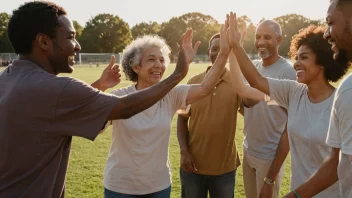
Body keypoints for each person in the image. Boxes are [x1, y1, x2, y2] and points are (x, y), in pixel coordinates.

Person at [0, 1, 193, 197]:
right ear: (43, 42)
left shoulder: (6, 79)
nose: (77, 46)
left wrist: (100, 85)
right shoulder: (57, 89)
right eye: (71, 37)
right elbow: (124, 107)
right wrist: (178, 73)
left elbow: (65, 105)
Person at [225, 12, 350, 198]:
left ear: (323, 61)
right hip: (297, 190)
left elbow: (338, 163)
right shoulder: (293, 92)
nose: (296, 63)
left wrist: (295, 194)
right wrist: (235, 45)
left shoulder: (340, 100)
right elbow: (255, 80)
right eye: (296, 57)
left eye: (304, 58)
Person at [103, 25, 230, 198]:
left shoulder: (172, 95)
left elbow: (205, 88)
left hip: (158, 187)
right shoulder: (119, 97)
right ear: (135, 67)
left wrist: (223, 54)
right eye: (151, 59)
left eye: (162, 60)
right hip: (121, 188)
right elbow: (88, 117)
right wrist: (101, 86)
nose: (158, 65)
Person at [281, 0, 352, 197]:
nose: (327, 33)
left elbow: (338, 161)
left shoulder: (348, 91)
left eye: (331, 22)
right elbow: (336, 160)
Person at [176, 31, 242, 197]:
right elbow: (182, 120)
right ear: (208, 52)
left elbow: (251, 107)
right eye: (215, 49)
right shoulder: (193, 82)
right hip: (192, 167)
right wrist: (184, 151)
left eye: (223, 49)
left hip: (224, 169)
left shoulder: (237, 84)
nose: (218, 53)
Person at [237, 19, 296, 198]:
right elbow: (245, 105)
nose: (261, 42)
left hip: (270, 156)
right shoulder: (253, 66)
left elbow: (290, 126)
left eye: (267, 37)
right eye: (258, 37)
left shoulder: (288, 72)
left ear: (279, 40)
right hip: (248, 149)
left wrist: (271, 176)